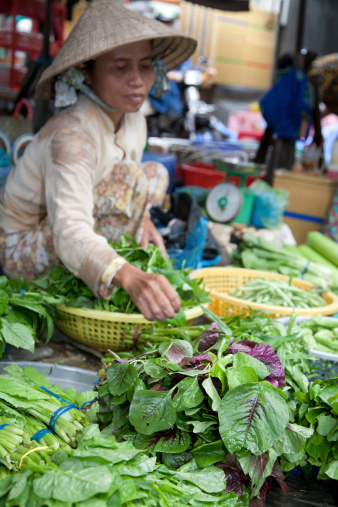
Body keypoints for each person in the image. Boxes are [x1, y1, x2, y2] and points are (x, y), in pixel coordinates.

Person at [0, 0, 196, 322]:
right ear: (86, 74)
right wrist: (128, 275)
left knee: (154, 173)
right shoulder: (73, 137)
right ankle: (104, 275)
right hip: (23, 249)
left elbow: (132, 174)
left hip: (66, 224)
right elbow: (70, 230)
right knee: (128, 184)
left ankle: (105, 266)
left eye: (145, 66)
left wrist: (142, 219)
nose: (137, 80)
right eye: (120, 67)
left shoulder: (134, 118)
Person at [255, 50, 322, 181]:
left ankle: (269, 176)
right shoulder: (296, 81)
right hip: (286, 126)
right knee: (281, 163)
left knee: (280, 161)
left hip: (284, 125)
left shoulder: (295, 80)